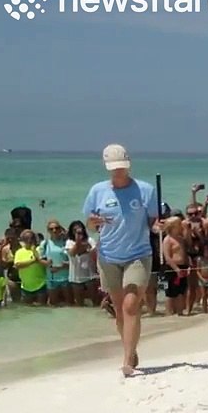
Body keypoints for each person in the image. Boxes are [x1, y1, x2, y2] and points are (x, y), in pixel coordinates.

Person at [81, 144, 160, 377]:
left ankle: (126, 359)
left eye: (122, 168)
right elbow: (89, 223)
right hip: (108, 257)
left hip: (138, 254)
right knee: (118, 310)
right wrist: (94, 222)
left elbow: (153, 222)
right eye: (114, 168)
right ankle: (131, 348)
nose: (118, 172)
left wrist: (159, 226)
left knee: (131, 305)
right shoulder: (97, 191)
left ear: (128, 165)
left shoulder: (145, 190)